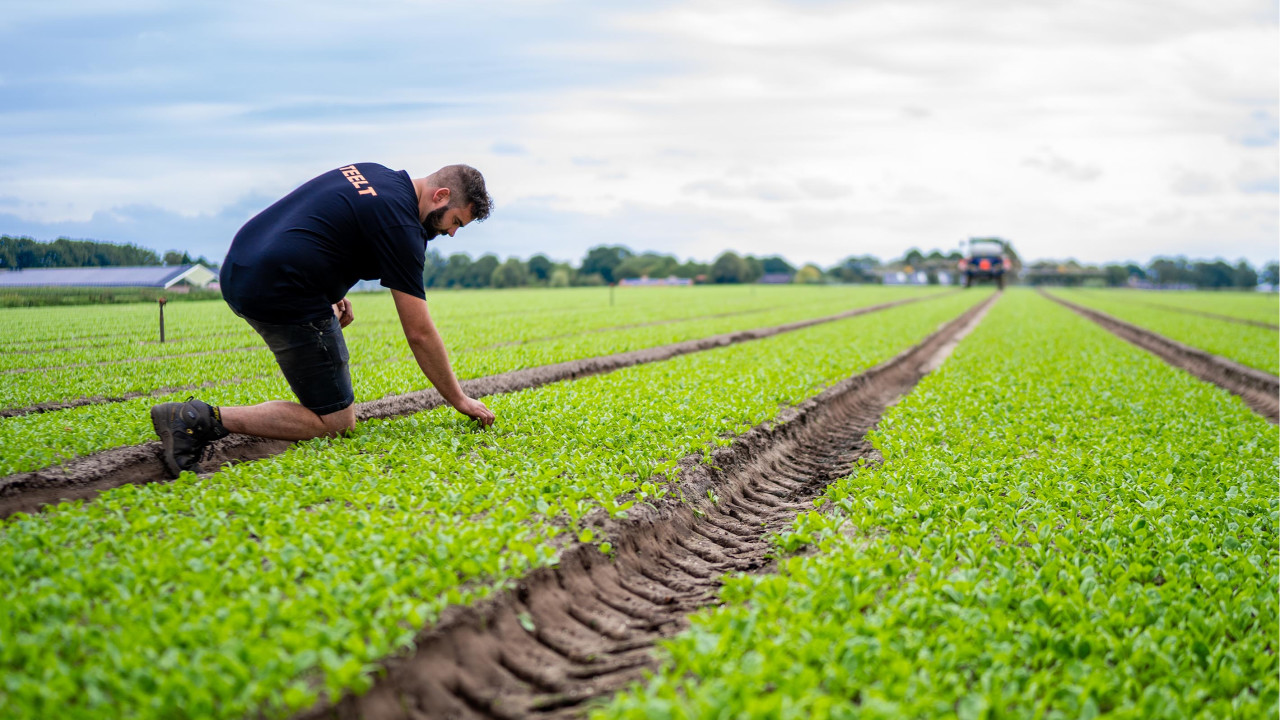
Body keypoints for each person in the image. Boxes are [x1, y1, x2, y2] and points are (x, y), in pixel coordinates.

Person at [150, 162, 496, 478]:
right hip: (280, 288)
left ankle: (199, 418)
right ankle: (194, 419)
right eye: (455, 222)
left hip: (241, 267)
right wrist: (459, 399)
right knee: (335, 422)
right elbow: (419, 332)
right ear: (441, 196)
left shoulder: (375, 175)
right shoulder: (402, 225)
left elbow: (324, 225)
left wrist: (329, 289)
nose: (451, 234)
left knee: (328, 404)